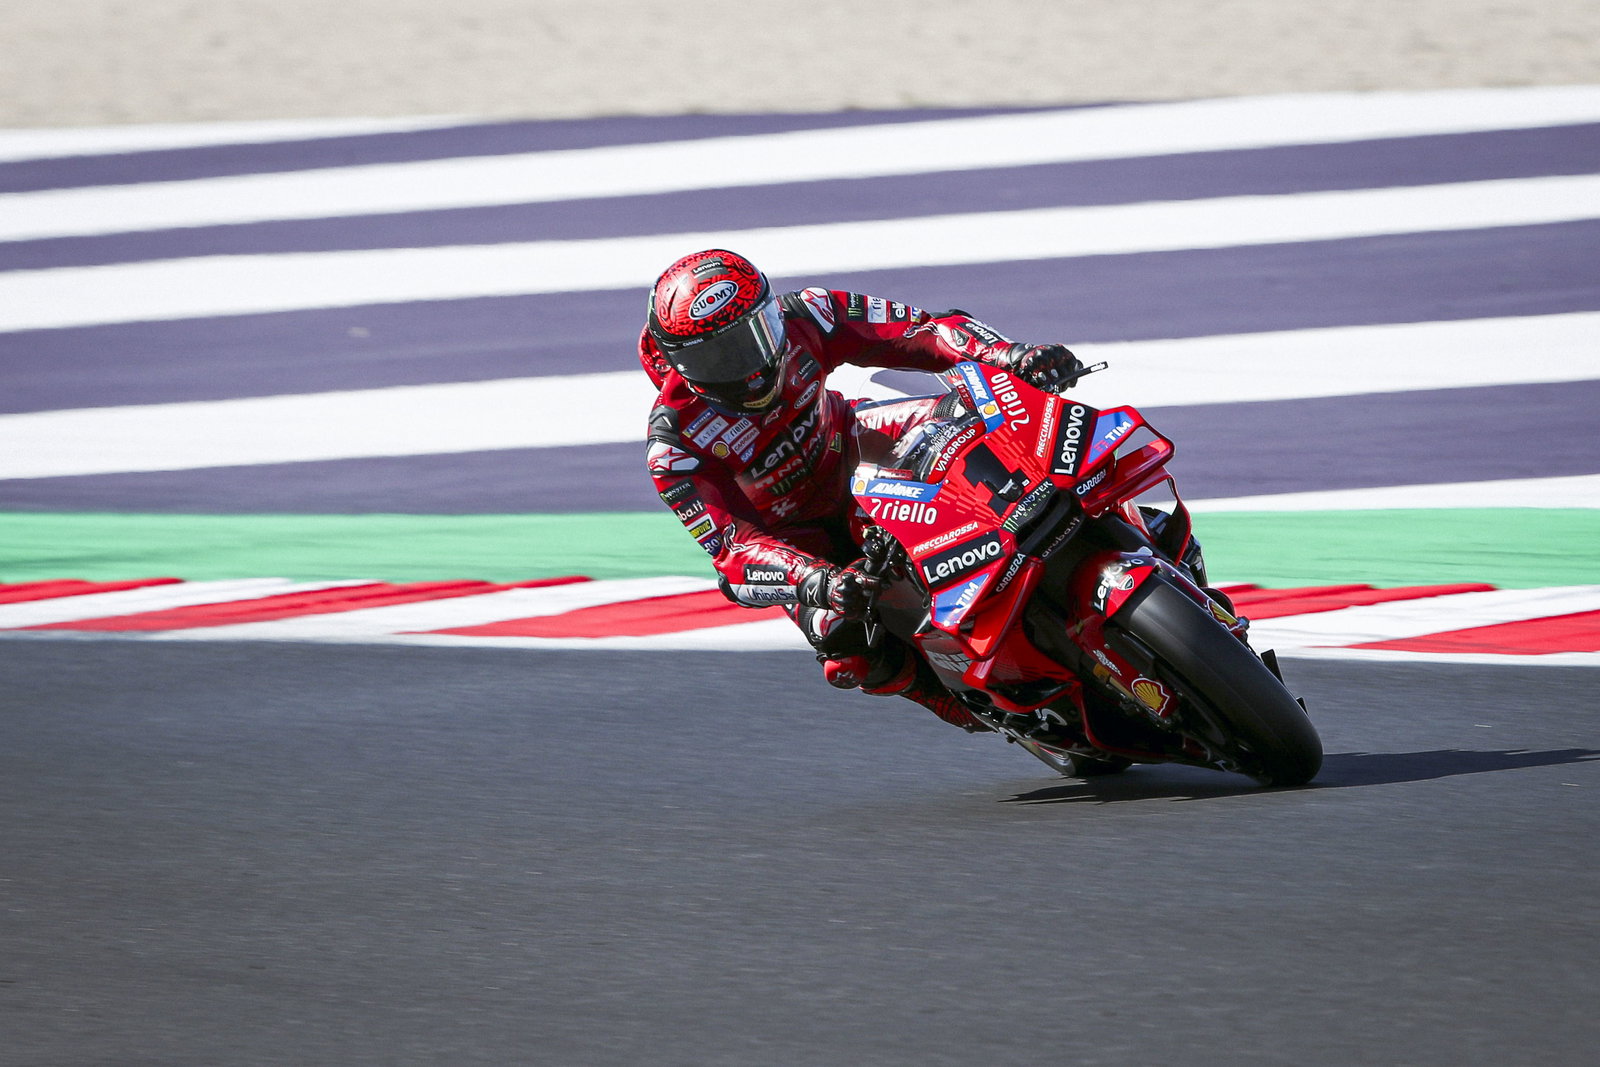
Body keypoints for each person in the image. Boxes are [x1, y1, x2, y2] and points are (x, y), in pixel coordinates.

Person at [642, 249, 1084, 732]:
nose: (747, 363)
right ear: (676, 363)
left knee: (974, 419)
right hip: (795, 537)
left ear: (771, 312)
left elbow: (923, 330)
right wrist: (820, 582)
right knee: (843, 645)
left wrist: (1008, 356)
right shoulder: (675, 444)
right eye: (719, 355)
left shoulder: (810, 312)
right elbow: (734, 549)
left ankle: (1146, 529)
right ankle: (953, 703)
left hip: (854, 446)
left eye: (755, 335)